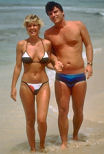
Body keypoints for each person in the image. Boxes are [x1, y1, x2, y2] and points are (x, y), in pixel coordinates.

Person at [44, 1, 93, 149]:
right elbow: (48, 55)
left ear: (62, 12)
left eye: (55, 11)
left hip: (79, 75)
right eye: (50, 14)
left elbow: (88, 44)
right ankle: (64, 142)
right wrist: (54, 62)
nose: (53, 15)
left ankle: (76, 134)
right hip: (62, 77)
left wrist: (89, 64)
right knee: (62, 111)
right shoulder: (48, 33)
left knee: (78, 110)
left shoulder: (78, 25)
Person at [10, 14, 53, 152]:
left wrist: (57, 66)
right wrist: (13, 87)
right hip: (25, 85)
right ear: (26, 28)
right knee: (30, 120)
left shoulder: (46, 43)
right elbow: (18, 67)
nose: (32, 28)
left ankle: (42, 146)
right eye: (29, 26)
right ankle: (33, 149)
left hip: (43, 84)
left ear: (39, 26)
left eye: (34, 25)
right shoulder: (21, 44)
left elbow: (48, 64)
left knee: (41, 119)